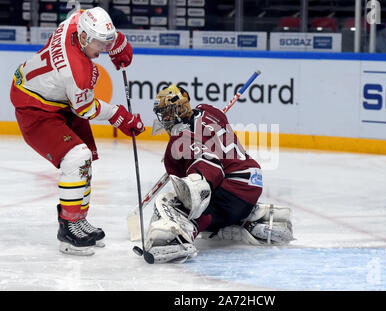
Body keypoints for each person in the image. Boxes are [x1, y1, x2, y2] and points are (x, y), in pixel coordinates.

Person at [9, 7, 145, 256]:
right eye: (99, 44)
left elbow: (82, 12)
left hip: (56, 99)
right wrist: (119, 116)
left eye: (105, 43)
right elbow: (85, 108)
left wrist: (117, 41)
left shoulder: (75, 22)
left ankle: (79, 220)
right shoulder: (77, 70)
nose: (102, 50)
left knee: (85, 159)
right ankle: (68, 229)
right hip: (34, 107)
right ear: (83, 37)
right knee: (76, 157)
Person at [144, 84, 293, 263]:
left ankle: (181, 235)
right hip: (252, 182)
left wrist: (189, 176)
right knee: (216, 205)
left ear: (181, 107)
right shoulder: (210, 111)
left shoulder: (180, 139)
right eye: (163, 114)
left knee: (171, 202)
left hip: (231, 188)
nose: (165, 119)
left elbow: (210, 169)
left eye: (168, 112)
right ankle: (248, 220)